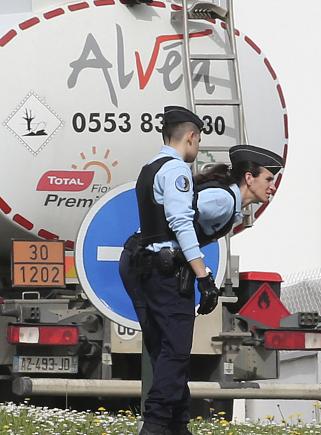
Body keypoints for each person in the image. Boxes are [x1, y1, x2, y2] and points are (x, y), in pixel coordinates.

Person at [118, 106, 219, 435]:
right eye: (199, 140)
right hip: (169, 276)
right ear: (190, 136)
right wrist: (203, 275)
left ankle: (177, 428)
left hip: (149, 271)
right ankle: (155, 427)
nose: (198, 147)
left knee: (164, 354)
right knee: (175, 356)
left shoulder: (148, 169)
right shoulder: (176, 171)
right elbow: (181, 224)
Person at [192, 144, 284, 248]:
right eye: (268, 180)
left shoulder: (230, 203)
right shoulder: (223, 201)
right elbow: (177, 214)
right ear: (249, 178)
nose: (273, 188)